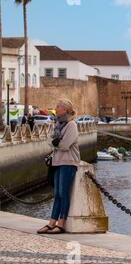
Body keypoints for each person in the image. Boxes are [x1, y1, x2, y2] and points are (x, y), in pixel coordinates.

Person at [37, 99, 80, 234]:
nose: (56, 108)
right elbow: (49, 140)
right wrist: (55, 142)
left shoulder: (71, 125)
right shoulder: (58, 124)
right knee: (57, 194)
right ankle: (51, 222)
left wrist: (56, 142)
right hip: (57, 162)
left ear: (65, 110)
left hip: (68, 162)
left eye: (58, 106)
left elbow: (65, 145)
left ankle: (61, 223)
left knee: (63, 193)